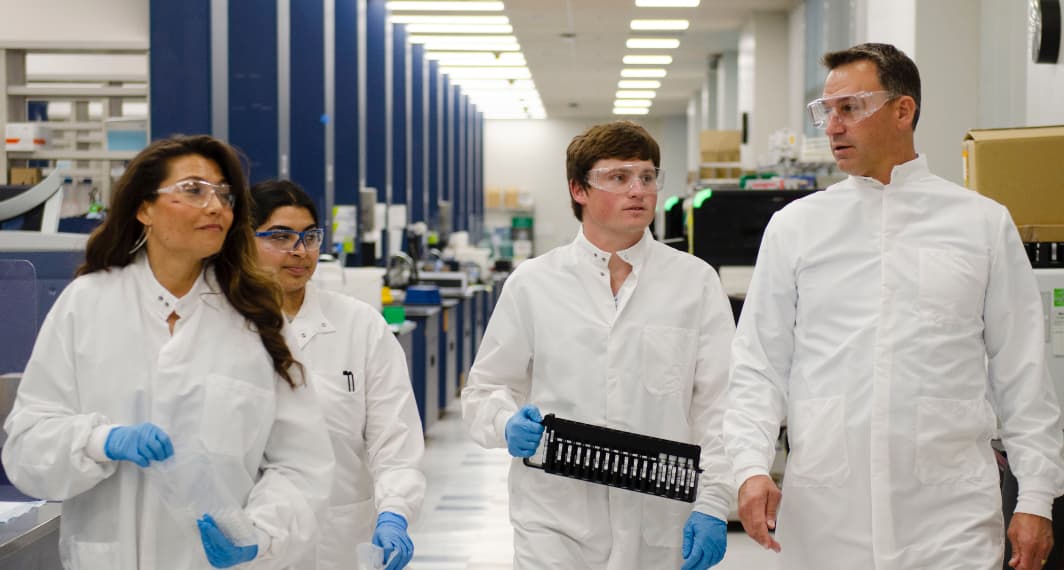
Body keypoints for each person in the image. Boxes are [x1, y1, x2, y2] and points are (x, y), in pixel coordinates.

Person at [723, 42, 1064, 570]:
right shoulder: (797, 227)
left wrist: (1037, 496)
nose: (832, 126)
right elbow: (759, 365)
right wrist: (749, 466)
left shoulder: (980, 224)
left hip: (949, 516)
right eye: (826, 110)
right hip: (827, 515)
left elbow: (1022, 371)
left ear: (903, 110)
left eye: (850, 108)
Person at [1, 135, 335, 569]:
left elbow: (302, 464)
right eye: (194, 190)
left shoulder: (255, 319)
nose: (215, 206)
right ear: (144, 209)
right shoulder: (87, 303)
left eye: (224, 194)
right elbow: (27, 446)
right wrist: (101, 441)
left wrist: (261, 533)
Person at [462, 121, 734, 569]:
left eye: (647, 177)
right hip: (554, 518)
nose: (639, 190)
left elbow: (719, 405)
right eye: (619, 177)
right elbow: (484, 389)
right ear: (578, 189)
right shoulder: (534, 284)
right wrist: (505, 421)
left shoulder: (694, 282)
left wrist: (713, 501)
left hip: (658, 516)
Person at [249, 179, 425, 570]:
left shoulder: (360, 325)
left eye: (309, 237)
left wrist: (394, 510)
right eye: (280, 236)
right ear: (244, 242)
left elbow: (394, 436)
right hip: (252, 542)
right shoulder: (225, 327)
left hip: (341, 540)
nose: (300, 251)